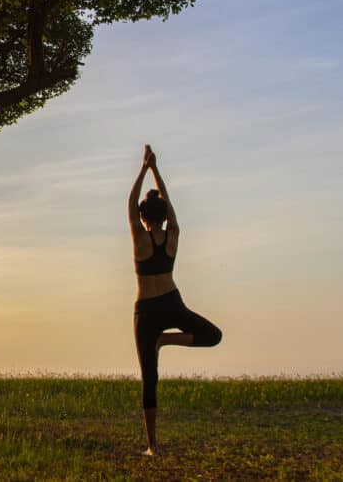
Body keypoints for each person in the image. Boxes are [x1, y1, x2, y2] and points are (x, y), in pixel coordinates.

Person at [128, 144, 221, 456]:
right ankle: (167, 341)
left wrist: (144, 168)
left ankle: (152, 445)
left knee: (149, 378)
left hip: (148, 310)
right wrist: (156, 170)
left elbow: (129, 202)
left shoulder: (139, 237)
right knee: (213, 335)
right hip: (171, 302)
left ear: (142, 217)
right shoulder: (173, 235)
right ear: (165, 214)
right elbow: (167, 205)